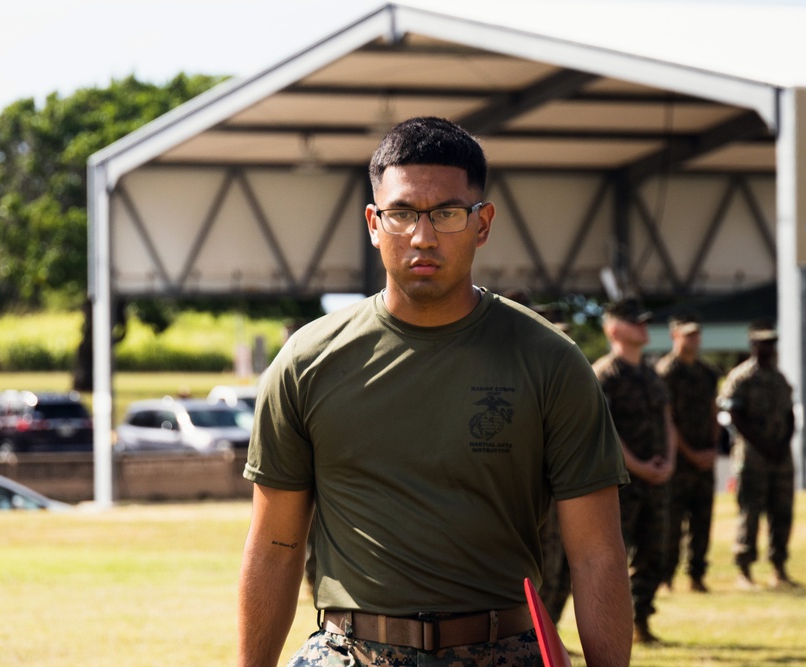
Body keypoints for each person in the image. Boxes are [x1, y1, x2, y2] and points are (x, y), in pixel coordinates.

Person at [238, 116, 632, 667]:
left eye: (447, 213)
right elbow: (275, 550)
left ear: (483, 222)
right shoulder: (308, 362)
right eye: (401, 214)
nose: (423, 236)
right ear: (374, 223)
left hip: (502, 651)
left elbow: (597, 556)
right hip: (347, 652)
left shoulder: (549, 362)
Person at [593, 298, 677, 645]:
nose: (644, 327)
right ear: (613, 329)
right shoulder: (603, 375)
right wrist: (638, 466)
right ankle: (608, 629)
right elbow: (602, 430)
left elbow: (668, 421)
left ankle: (642, 621)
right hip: (621, 485)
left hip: (656, 482)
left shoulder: (652, 374)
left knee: (654, 553)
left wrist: (669, 461)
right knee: (612, 561)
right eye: (634, 322)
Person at [718, 321, 799, 590]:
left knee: (782, 513)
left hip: (780, 458)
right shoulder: (741, 378)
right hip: (752, 458)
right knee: (750, 514)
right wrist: (764, 445)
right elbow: (735, 416)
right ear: (753, 345)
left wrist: (783, 444)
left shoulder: (779, 378)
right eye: (763, 343)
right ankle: (744, 569)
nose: (769, 348)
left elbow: (790, 415)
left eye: (772, 343)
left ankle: (779, 568)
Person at [655, 312, 720, 594]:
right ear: (674, 335)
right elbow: (666, 419)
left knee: (703, 521)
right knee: (671, 521)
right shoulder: (666, 371)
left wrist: (713, 448)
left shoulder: (707, 372)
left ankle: (697, 575)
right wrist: (690, 453)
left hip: (704, 459)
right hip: (678, 461)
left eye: (697, 334)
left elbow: (714, 411)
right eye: (688, 334)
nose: (694, 339)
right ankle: (666, 576)